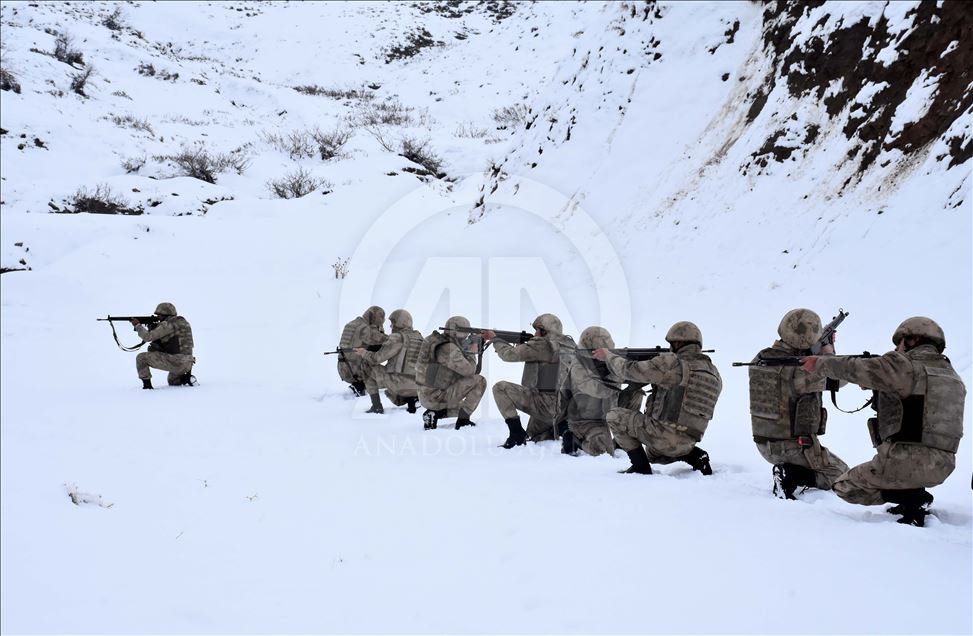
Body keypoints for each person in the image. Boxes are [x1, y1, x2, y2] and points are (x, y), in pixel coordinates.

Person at [801, 317, 965, 527]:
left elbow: (856, 367)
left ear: (913, 339)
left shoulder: (903, 365)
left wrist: (819, 362)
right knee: (906, 468)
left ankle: (910, 499)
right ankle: (913, 497)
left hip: (903, 461)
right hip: (942, 467)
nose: (897, 348)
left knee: (844, 487)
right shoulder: (953, 376)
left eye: (899, 343)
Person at [595, 321, 720, 475]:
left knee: (614, 416)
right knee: (654, 455)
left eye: (671, 344)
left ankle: (640, 468)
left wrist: (608, 356)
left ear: (678, 342)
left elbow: (630, 370)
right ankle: (695, 455)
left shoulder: (672, 364)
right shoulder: (714, 373)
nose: (669, 348)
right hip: (688, 441)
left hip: (665, 438)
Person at [749, 309, 849, 499]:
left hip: (764, 444)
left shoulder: (760, 358)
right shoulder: (802, 370)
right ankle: (790, 476)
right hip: (794, 448)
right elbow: (841, 379)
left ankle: (789, 471)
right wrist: (827, 352)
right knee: (842, 476)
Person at [487, 313, 577, 449]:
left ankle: (516, 434)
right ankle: (564, 429)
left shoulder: (542, 345)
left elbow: (508, 355)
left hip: (545, 405)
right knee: (536, 437)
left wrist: (495, 339)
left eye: (537, 330)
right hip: (564, 408)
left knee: (500, 388)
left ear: (545, 331)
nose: (534, 333)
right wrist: (523, 347)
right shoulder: (570, 345)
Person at [556, 326, 644, 456]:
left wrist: (637, 369)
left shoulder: (607, 362)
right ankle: (575, 441)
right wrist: (619, 368)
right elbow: (601, 390)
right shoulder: (578, 366)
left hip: (606, 412)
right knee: (601, 451)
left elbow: (627, 380)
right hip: (583, 420)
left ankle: (622, 439)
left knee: (636, 393)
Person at [415, 315, 486, 430]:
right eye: (465, 336)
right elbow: (470, 371)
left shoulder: (435, 340)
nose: (466, 338)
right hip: (436, 396)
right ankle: (463, 421)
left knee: (460, 409)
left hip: (426, 393)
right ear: (457, 333)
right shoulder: (448, 348)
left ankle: (434, 414)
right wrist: (472, 351)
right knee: (480, 381)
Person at [354, 309, 423, 415]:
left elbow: (376, 359)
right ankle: (412, 400)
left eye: (392, 323)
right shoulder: (420, 338)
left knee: (366, 364)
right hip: (419, 386)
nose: (391, 326)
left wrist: (364, 352)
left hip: (400, 384)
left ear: (399, 323)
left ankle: (376, 406)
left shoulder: (396, 337)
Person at [130, 302, 194, 390]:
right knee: (172, 381)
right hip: (187, 364)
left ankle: (147, 387)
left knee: (141, 358)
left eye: (159, 315)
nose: (158, 318)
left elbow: (148, 337)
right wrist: (154, 328)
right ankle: (186, 379)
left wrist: (137, 326)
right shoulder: (183, 322)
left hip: (177, 362)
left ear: (165, 314)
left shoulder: (168, 324)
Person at [337, 306, 387, 397]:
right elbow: (386, 341)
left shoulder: (351, 324)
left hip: (343, 368)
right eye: (381, 319)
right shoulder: (365, 328)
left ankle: (359, 386)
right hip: (355, 370)